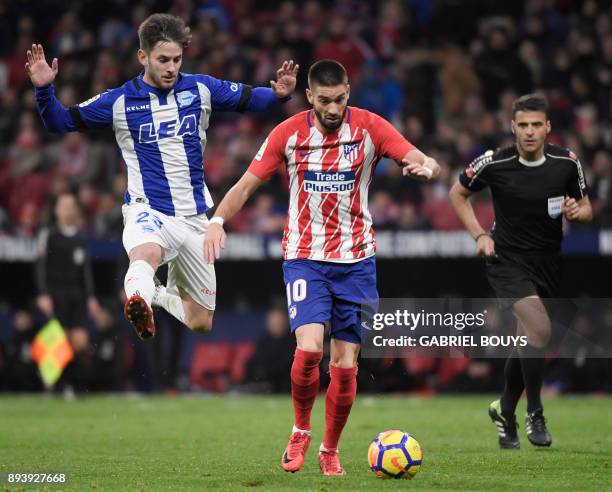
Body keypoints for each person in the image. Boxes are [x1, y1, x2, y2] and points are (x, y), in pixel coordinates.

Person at [203, 60, 440, 475]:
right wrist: (218, 221)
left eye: (341, 99)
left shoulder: (370, 128)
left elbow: (421, 157)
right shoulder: (289, 133)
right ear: (310, 96)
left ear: (349, 92)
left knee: (346, 363)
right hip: (305, 258)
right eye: (325, 100)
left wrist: (426, 168)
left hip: (357, 261)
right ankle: (300, 431)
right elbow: (246, 183)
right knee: (309, 348)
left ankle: (330, 450)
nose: (333, 109)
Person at [26, 14, 298, 340]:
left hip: (195, 217)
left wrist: (280, 94)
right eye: (163, 60)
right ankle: (139, 297)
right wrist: (44, 90)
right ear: (143, 57)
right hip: (148, 210)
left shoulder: (200, 88)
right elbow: (60, 122)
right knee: (145, 255)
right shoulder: (120, 101)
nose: (171, 67)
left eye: (177, 59)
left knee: (200, 321)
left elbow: (251, 98)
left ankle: (152, 295)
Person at [449, 93, 592, 449]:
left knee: (531, 337)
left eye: (536, 125)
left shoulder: (566, 163)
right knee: (539, 328)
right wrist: (480, 235)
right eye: (523, 125)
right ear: (512, 127)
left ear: (548, 128)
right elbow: (457, 193)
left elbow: (586, 206)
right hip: (506, 259)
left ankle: (505, 410)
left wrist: (579, 212)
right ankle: (535, 412)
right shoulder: (495, 163)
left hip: (547, 261)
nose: (529, 132)